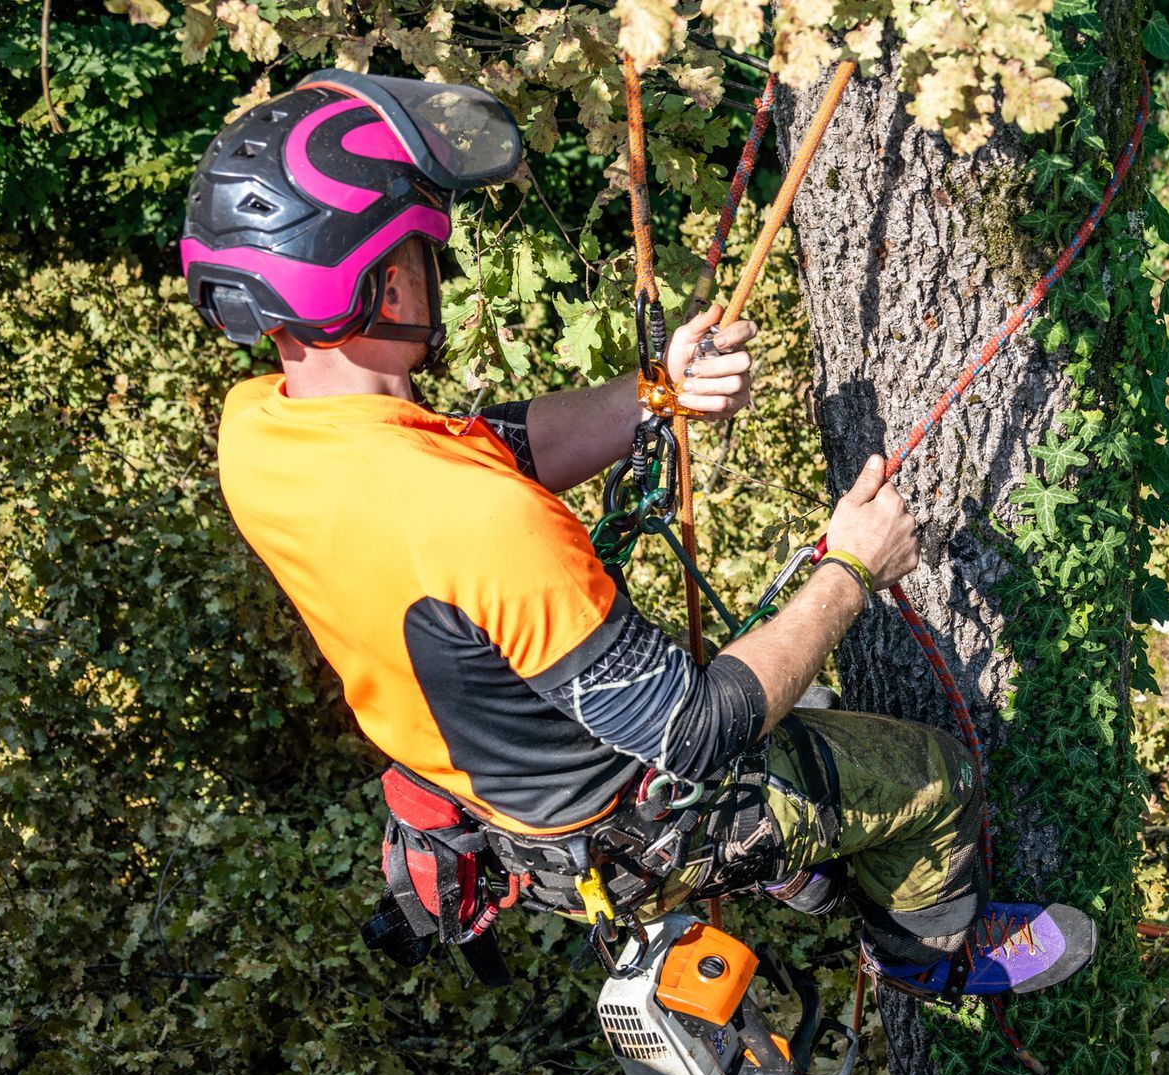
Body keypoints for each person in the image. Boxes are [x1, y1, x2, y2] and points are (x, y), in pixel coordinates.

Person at [184, 71, 1095, 1000]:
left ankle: (803, 867)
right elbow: (695, 731)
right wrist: (852, 568)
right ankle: (926, 957)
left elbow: (485, 448)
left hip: (492, 791)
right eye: (422, 247)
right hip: (630, 826)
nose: (438, 264)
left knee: (803, 696)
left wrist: (654, 394)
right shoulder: (475, 519)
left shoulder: (260, 432)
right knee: (931, 778)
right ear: (378, 281)